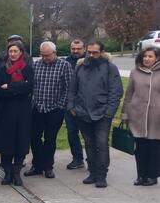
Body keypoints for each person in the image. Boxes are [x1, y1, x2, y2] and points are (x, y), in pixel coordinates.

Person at [67, 41, 123, 188]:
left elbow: (115, 92)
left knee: (102, 144)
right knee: (89, 144)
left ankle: (101, 175)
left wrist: (109, 113)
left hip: (102, 114)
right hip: (82, 113)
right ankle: (92, 172)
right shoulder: (80, 67)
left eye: (95, 52)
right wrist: (72, 107)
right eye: (89, 52)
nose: (91, 55)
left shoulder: (110, 68)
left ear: (102, 52)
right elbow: (72, 89)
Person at [27, 41, 72, 179]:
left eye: (47, 55)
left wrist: (61, 105)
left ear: (55, 53)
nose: (45, 57)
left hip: (55, 108)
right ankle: (37, 165)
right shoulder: (36, 65)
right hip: (38, 107)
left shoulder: (64, 65)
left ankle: (48, 166)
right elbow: (31, 85)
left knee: (50, 139)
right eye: (42, 55)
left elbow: (69, 87)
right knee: (34, 137)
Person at [0, 40, 34, 186]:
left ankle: (17, 172)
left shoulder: (28, 69)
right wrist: (18, 88)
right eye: (10, 51)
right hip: (5, 111)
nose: (13, 54)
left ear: (21, 53)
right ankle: (8, 172)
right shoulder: (1, 71)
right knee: (6, 142)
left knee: (20, 141)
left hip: (23, 112)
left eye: (15, 51)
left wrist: (9, 87)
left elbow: (29, 87)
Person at [122, 46, 160, 186]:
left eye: (150, 56)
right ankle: (141, 175)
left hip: (156, 117)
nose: (147, 59)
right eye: (145, 56)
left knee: (154, 148)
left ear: (157, 58)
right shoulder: (135, 72)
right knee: (140, 148)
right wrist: (125, 113)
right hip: (137, 115)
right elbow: (129, 93)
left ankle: (152, 176)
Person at [65, 39, 87, 169]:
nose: (76, 51)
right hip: (69, 105)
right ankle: (77, 158)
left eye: (78, 49)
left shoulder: (90, 62)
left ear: (84, 49)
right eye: (73, 48)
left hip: (86, 104)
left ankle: (93, 159)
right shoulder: (66, 62)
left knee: (87, 134)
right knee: (72, 133)